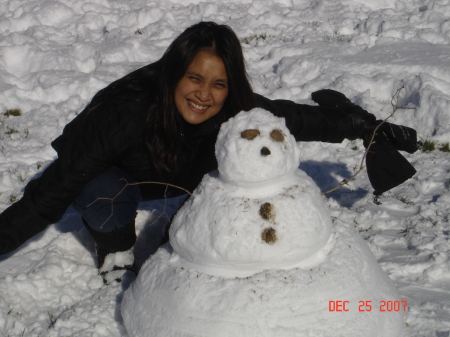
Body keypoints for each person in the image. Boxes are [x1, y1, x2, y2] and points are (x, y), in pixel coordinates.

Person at [0, 22, 418, 283]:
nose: (204, 94)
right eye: (194, 78)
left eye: (218, 84)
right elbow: (54, 189)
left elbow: (292, 119)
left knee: (238, 170)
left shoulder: (234, 109)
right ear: (173, 74)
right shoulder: (126, 113)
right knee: (95, 187)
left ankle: (180, 241)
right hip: (122, 178)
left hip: (185, 178)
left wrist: (363, 126)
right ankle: (116, 250)